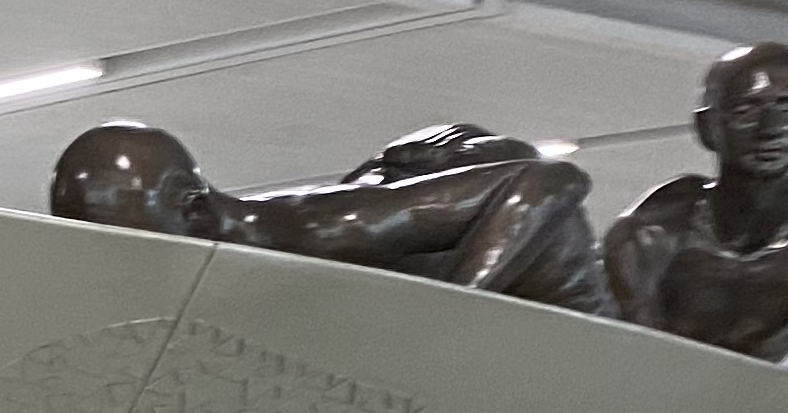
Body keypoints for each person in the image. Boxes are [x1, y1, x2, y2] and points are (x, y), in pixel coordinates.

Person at [49, 119, 610, 310]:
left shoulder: (316, 228)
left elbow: (549, 179)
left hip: (575, 323)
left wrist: (454, 311)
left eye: (139, 242)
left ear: (192, 212)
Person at [602, 42, 788, 391]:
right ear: (707, 128)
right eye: (746, 110)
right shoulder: (651, 234)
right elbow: (634, 369)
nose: (770, 129)